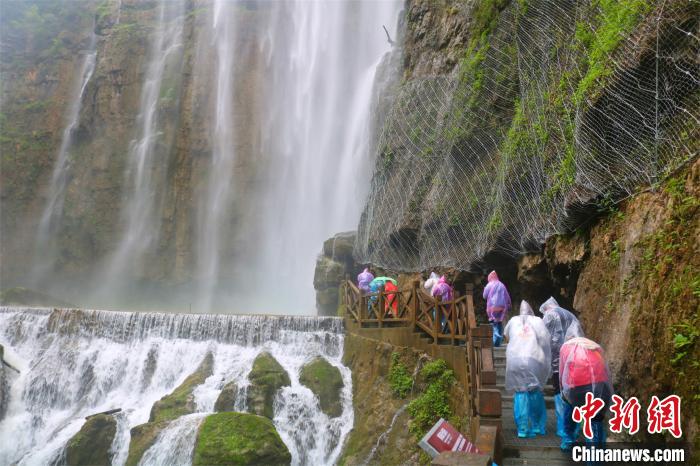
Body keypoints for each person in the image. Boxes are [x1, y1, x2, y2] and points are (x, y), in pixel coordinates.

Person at [503, 301, 551, 438]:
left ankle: (522, 428)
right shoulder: (537, 321)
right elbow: (544, 339)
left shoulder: (513, 320)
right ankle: (537, 426)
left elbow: (506, 336)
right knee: (534, 391)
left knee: (520, 392)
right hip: (532, 359)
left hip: (515, 360)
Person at [560, 329, 613, 452]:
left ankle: (569, 440)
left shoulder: (566, 347)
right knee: (596, 420)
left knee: (570, 407)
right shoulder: (593, 346)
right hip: (603, 389)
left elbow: (563, 374)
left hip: (578, 389)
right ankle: (599, 453)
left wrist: (564, 392)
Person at [539, 297, 581, 440]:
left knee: (559, 392)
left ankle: (563, 427)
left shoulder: (550, 315)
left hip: (559, 362)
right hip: (575, 360)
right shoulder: (570, 315)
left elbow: (545, 337)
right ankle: (574, 428)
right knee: (572, 393)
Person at [483, 271, 511, 347]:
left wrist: (485, 288)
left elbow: (484, 296)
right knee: (499, 322)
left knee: (493, 322)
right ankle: (498, 342)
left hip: (492, 307)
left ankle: (495, 338)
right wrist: (509, 306)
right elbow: (507, 296)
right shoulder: (502, 285)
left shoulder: (489, 284)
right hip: (502, 307)